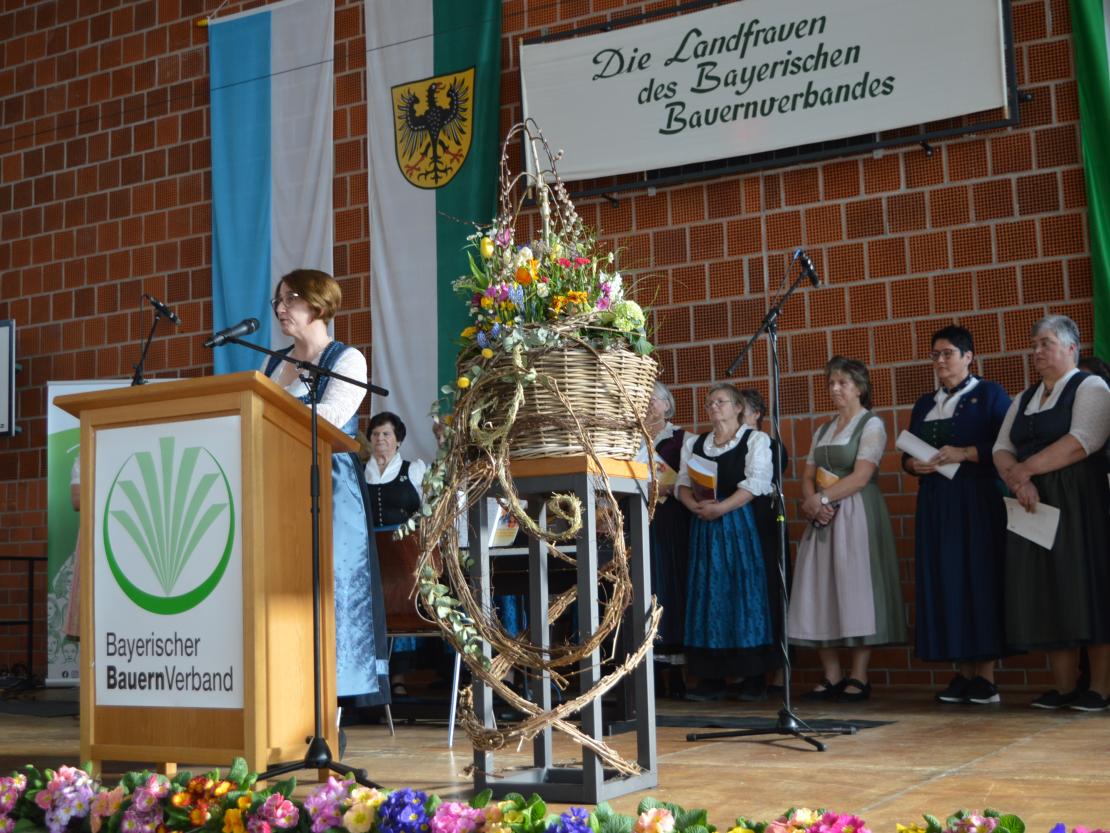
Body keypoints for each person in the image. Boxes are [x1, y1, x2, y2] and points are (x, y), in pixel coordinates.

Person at [264, 269, 390, 710]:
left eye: (290, 299)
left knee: (334, 592)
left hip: (331, 490)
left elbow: (333, 415)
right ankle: (283, 697)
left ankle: (331, 708)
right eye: (277, 300)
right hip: (280, 485)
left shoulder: (347, 359)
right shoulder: (272, 362)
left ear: (318, 305)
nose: (280, 308)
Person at [992, 315, 1110, 712]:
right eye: (1034, 344)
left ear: (1071, 348)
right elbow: (1001, 447)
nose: (1036, 351)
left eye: (1045, 343)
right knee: (1047, 590)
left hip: (1080, 502)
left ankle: (1100, 688)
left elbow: (1082, 442)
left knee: (1086, 586)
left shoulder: (1091, 386)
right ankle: (1063, 688)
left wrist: (1025, 469)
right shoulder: (1024, 397)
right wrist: (1018, 480)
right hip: (1032, 501)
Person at [788, 356, 907, 702]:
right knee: (820, 589)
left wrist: (821, 500)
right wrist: (812, 502)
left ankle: (859, 675)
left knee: (856, 590)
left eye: (842, 382)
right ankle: (831, 675)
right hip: (822, 516)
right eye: (831, 383)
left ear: (860, 387)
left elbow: (861, 475)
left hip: (855, 511)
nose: (835, 389)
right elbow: (807, 474)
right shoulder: (823, 429)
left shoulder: (871, 424)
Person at [903, 326, 1011, 705]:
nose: (940, 361)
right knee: (945, 578)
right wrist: (914, 466)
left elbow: (1006, 445)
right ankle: (962, 673)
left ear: (969, 357)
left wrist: (964, 453)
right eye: (935, 355)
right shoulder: (923, 402)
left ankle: (986, 676)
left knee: (978, 576)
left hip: (976, 501)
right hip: (936, 503)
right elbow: (906, 452)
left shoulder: (989, 394)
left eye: (948, 353)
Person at [676, 382, 774, 700]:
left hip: (738, 525)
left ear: (738, 408)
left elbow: (757, 482)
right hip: (704, 526)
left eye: (721, 401)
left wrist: (722, 507)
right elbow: (681, 482)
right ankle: (711, 677)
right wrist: (694, 506)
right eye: (709, 403)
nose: (713, 407)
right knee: (708, 596)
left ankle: (753, 676)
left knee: (743, 594)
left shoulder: (755, 439)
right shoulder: (696, 442)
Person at [364, 410, 433, 696]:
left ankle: (400, 677)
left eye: (386, 434)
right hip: (370, 561)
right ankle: (373, 682)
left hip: (406, 561)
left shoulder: (413, 470)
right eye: (376, 434)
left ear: (398, 440)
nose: (380, 439)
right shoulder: (359, 473)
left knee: (403, 599)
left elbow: (431, 512)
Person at [637, 382, 692, 696]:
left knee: (670, 585)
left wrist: (673, 486)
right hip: (640, 517)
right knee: (647, 587)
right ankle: (650, 670)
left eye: (652, 399)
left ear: (667, 406)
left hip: (670, 520)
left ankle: (676, 673)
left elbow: (689, 476)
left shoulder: (682, 438)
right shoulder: (630, 439)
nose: (646, 405)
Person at [737, 388, 789, 699]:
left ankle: (773, 671)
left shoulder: (769, 445)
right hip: (733, 527)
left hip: (762, 525)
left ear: (757, 414)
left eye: (741, 409)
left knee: (767, 593)